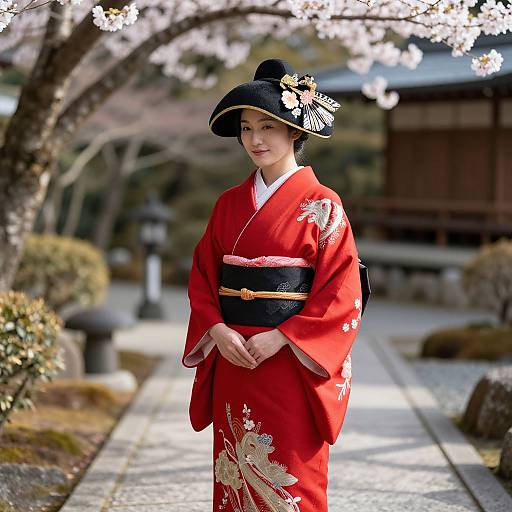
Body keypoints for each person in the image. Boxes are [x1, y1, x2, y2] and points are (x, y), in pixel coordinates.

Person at [182, 58, 367, 512]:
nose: (255, 139)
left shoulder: (324, 205)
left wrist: (284, 336)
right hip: (233, 358)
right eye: (246, 129)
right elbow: (204, 277)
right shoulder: (228, 204)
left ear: (294, 132)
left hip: (290, 366)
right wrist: (218, 331)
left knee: (292, 479)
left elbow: (342, 294)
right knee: (235, 473)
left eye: (268, 126)